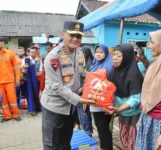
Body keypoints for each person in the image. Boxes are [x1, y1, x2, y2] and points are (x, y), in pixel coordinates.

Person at [41, 21, 95, 150]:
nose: (75, 39)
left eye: (79, 36)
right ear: (63, 34)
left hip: (70, 109)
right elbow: (57, 87)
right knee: (52, 145)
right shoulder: (53, 57)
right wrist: (80, 100)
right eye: (72, 35)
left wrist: (96, 79)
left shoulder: (80, 53)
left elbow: (82, 73)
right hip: (55, 108)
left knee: (66, 143)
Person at [105, 43, 144, 150]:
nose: (115, 58)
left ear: (126, 57)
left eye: (119, 55)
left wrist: (119, 109)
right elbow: (109, 89)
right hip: (122, 113)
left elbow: (136, 98)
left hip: (134, 114)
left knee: (133, 142)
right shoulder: (113, 71)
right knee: (123, 138)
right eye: (114, 55)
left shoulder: (134, 74)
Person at [0, 36, 22, 123]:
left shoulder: (10, 54)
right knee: (3, 100)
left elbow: (16, 67)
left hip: (10, 81)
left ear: (3, 43)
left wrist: (18, 78)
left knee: (12, 99)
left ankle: (16, 114)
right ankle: (7, 116)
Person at [89, 44, 114, 150]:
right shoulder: (93, 65)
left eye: (101, 52)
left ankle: (107, 148)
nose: (98, 54)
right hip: (93, 101)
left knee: (104, 128)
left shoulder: (109, 66)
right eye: (96, 52)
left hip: (104, 102)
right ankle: (103, 147)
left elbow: (111, 86)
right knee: (99, 127)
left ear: (106, 53)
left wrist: (109, 105)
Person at [77, 45, 94, 137]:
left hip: (85, 93)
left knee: (84, 114)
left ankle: (88, 133)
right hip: (79, 93)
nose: (79, 55)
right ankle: (87, 132)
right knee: (83, 113)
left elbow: (90, 80)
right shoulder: (82, 63)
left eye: (81, 53)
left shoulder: (89, 64)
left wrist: (83, 88)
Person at [21, 46, 43, 116]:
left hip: (36, 80)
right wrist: (23, 69)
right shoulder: (25, 59)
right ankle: (31, 109)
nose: (31, 53)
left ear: (37, 52)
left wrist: (33, 73)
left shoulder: (39, 61)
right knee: (30, 94)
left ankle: (37, 107)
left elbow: (40, 72)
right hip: (28, 80)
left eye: (33, 52)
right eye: (30, 52)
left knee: (36, 94)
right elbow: (21, 69)